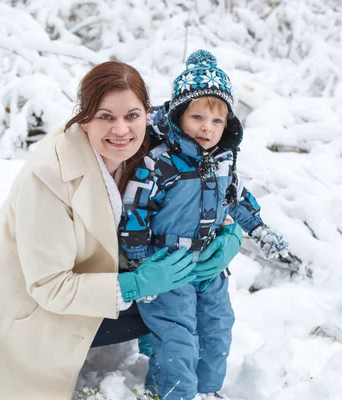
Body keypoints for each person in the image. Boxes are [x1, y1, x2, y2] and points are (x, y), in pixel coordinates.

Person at [0, 60, 245, 400]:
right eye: (106, 116)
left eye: (131, 116)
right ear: (84, 117)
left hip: (83, 279)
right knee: (166, 302)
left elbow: (202, 192)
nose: (121, 129)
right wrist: (138, 283)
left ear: (148, 115)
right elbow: (49, 286)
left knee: (185, 296)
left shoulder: (154, 149)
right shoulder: (48, 178)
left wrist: (229, 233)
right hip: (25, 302)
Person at [118, 50, 290, 400]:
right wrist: (140, 259)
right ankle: (172, 393)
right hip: (167, 265)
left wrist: (260, 231)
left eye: (216, 122)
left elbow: (238, 199)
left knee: (218, 329)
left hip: (209, 266)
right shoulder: (160, 162)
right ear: (180, 116)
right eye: (197, 117)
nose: (206, 128)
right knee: (177, 336)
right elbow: (135, 207)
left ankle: (207, 389)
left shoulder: (224, 162)